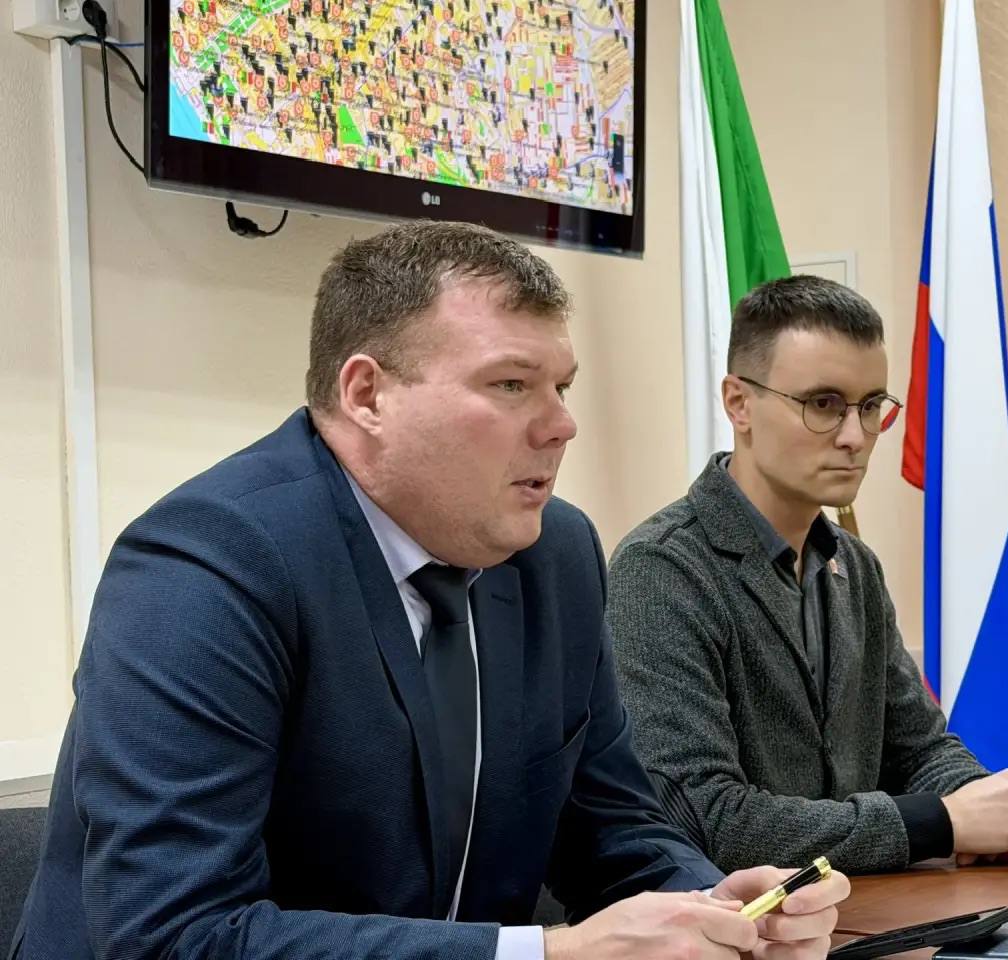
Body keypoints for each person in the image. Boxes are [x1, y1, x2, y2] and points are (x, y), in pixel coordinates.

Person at [11, 223, 849, 960]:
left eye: (562, 386)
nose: (561, 424)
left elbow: (610, 827)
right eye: (511, 384)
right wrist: (548, 952)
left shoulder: (557, 554)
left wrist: (713, 908)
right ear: (367, 394)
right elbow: (175, 935)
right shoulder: (208, 564)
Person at [607, 275, 1008, 876]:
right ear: (739, 403)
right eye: (823, 404)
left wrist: (999, 809)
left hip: (863, 908)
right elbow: (704, 819)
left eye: (871, 406)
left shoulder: (855, 566)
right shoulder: (662, 569)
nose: (855, 437)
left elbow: (919, 749)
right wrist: (941, 822)